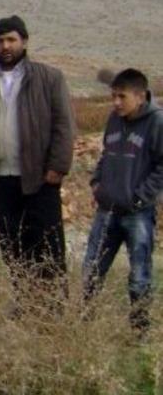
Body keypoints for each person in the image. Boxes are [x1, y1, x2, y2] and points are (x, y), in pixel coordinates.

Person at [0, 15, 75, 314]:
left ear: (24, 41)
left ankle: (53, 305)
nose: (5, 46)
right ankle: (25, 300)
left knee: (48, 243)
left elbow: (64, 126)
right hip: (1, 178)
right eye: (0, 41)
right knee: (12, 243)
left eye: (11, 39)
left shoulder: (49, 78)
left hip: (39, 177)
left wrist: (58, 166)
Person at [83, 68, 162, 337]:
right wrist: (97, 183)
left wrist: (141, 196)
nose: (116, 102)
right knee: (91, 271)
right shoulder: (114, 120)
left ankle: (139, 332)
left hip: (137, 213)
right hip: (107, 210)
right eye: (113, 96)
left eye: (122, 96)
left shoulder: (157, 123)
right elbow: (106, 153)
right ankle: (83, 328)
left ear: (140, 96)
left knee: (139, 275)